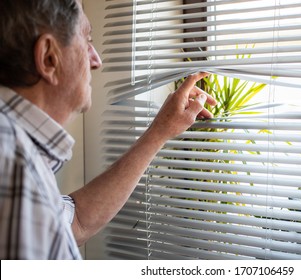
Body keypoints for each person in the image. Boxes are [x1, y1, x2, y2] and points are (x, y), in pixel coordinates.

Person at [0, 0, 216, 259]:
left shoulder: (22, 151)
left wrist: (160, 131)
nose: (97, 60)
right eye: (87, 40)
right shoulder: (11, 160)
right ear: (48, 57)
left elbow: (76, 221)